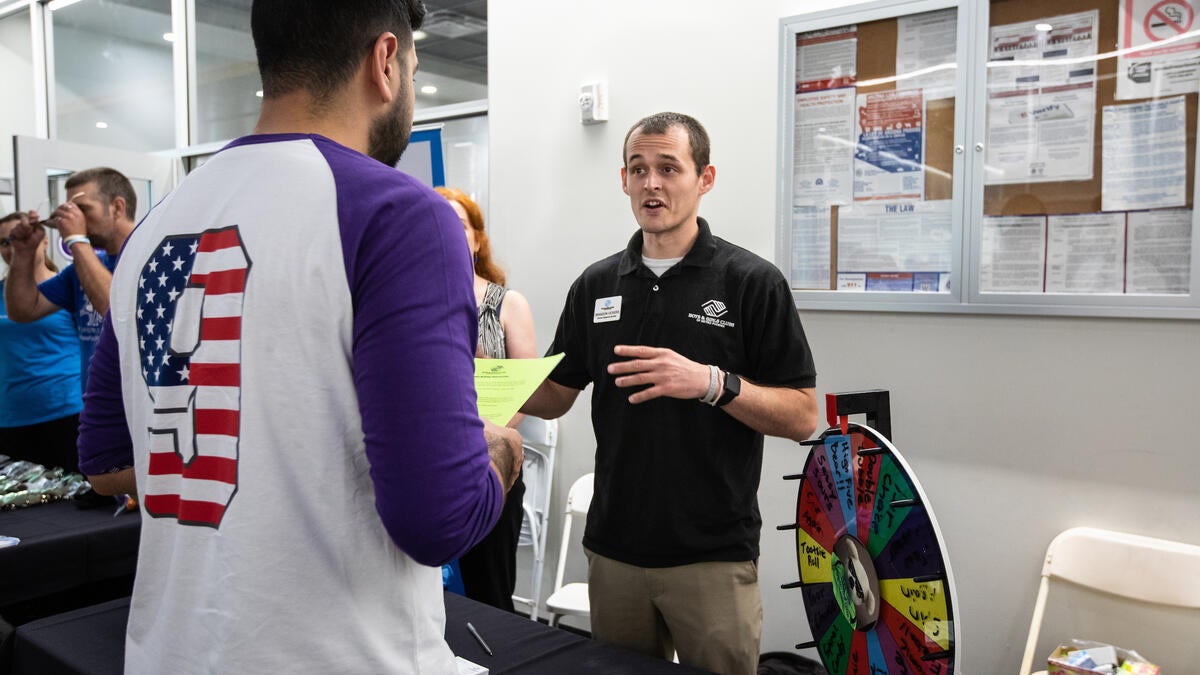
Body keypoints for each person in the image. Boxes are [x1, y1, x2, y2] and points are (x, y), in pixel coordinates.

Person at [74, 1, 523, 672]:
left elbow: (109, 464)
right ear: (386, 61)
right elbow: (439, 518)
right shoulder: (397, 214)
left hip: (173, 652)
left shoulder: (157, 229)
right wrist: (502, 455)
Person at [523, 112, 819, 675]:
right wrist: (477, 381)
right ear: (624, 180)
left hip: (711, 555)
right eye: (639, 169)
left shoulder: (750, 282)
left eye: (668, 168)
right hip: (615, 550)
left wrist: (709, 383)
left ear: (705, 178)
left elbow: (803, 416)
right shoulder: (596, 284)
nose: (651, 183)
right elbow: (558, 392)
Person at [436, 186, 537, 612]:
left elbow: (525, 388)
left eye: (458, 224)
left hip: (489, 463)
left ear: (478, 239)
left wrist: (479, 429)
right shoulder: (411, 299)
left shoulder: (506, 303)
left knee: (489, 595)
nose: (446, 230)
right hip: (428, 463)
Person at [3, 167, 137, 392]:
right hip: (94, 404)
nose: (73, 219)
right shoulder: (80, 269)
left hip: (137, 406)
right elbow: (23, 310)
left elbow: (117, 312)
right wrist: (23, 254)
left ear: (117, 207)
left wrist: (76, 239)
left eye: (83, 209)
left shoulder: (148, 257)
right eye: (71, 210)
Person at [0, 213, 83, 471]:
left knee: (76, 505)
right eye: (5, 242)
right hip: (11, 417)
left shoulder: (67, 288)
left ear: (44, 241)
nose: (13, 247)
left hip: (66, 413)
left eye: (19, 238)